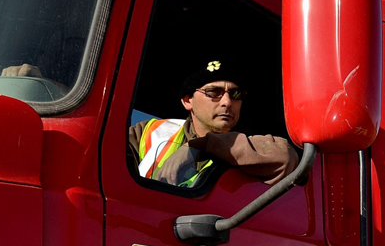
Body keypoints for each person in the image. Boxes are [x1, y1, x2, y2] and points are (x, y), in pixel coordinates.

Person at [127, 56, 299, 187]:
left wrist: (197, 145)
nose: (227, 102)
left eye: (236, 94)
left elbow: (286, 157)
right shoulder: (148, 132)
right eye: (213, 92)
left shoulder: (249, 148)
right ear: (187, 101)